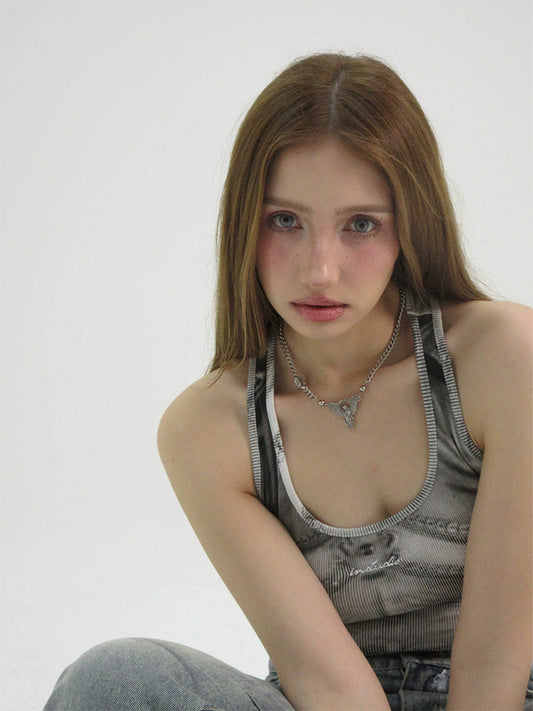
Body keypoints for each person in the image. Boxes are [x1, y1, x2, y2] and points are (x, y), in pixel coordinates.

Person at [44, 53, 532, 711]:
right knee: (112, 679)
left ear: (410, 224)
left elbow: (495, 668)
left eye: (360, 223)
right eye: (285, 221)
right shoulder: (209, 429)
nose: (319, 270)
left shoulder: (503, 358)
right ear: (245, 222)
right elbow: (328, 683)